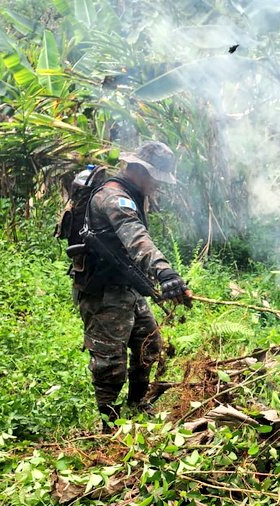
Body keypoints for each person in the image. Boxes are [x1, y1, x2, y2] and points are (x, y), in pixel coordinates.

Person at [71, 141, 192, 431]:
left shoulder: (130, 194)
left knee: (149, 344)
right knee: (110, 362)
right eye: (156, 180)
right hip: (104, 291)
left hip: (127, 287)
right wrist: (165, 273)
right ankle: (109, 423)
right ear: (141, 172)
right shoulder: (115, 199)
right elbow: (136, 239)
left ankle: (137, 403)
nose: (158, 186)